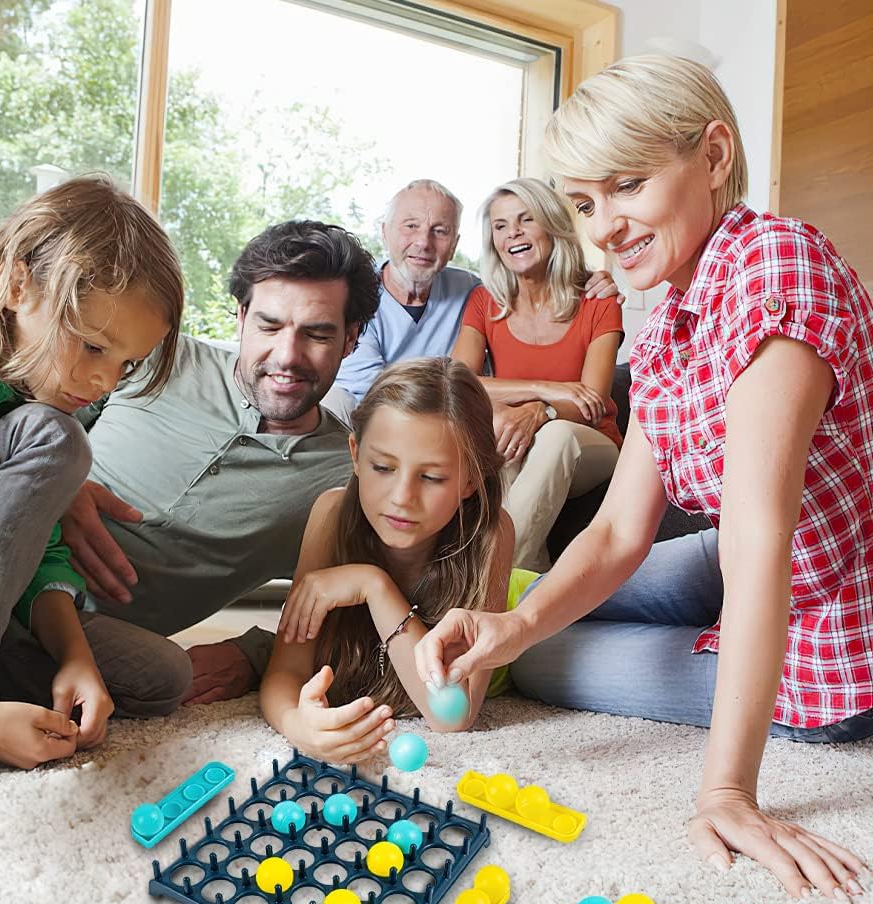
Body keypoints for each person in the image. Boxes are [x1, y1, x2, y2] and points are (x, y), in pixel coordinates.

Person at [415, 54, 872, 901]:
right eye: (585, 203)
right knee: (532, 622)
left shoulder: (778, 269)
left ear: (714, 155)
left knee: (550, 668)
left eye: (629, 185)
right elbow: (622, 532)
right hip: (739, 563)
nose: (604, 229)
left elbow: (759, 538)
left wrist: (727, 792)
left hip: (829, 614)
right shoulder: (666, 324)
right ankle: (488, 614)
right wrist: (509, 626)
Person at [0, 176, 192, 767]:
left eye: (125, 364)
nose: (103, 383)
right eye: (94, 347)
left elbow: (31, 547)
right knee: (54, 435)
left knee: (163, 676)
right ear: (17, 283)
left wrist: (74, 656)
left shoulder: (26, 385)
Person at [60, 221, 381, 704]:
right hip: (17, 544)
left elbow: (380, 614)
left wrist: (256, 655)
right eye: (269, 326)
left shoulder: (344, 475)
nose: (287, 356)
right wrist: (55, 486)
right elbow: (32, 415)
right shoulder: (156, 354)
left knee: (166, 676)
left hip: (90, 633)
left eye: (316, 334)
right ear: (241, 316)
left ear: (351, 339)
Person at [260, 357, 520, 764]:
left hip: (524, 603)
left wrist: (374, 586)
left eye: (431, 477)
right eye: (383, 467)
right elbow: (285, 669)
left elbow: (451, 714)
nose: (402, 496)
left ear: (470, 480)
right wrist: (297, 724)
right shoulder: (331, 516)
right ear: (356, 455)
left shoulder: (491, 531)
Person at [323, 178, 621, 421]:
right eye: (410, 226)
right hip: (380, 414)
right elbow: (377, 392)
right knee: (335, 402)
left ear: (453, 245)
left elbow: (533, 276)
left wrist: (589, 278)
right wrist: (546, 391)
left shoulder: (471, 290)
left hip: (453, 420)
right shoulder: (355, 296)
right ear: (384, 232)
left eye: (440, 231)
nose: (423, 242)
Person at [452, 177, 624, 570]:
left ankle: (488, 581)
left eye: (525, 219)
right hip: (519, 436)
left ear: (550, 225)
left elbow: (591, 404)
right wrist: (541, 391)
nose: (512, 233)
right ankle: (528, 581)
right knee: (500, 432)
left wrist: (540, 412)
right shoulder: (485, 301)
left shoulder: (598, 301)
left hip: (590, 444)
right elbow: (458, 384)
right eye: (500, 226)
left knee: (555, 437)